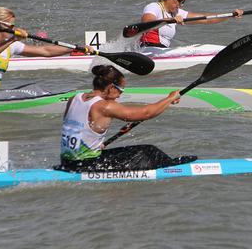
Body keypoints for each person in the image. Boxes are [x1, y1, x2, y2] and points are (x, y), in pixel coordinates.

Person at [56, 65, 196, 172]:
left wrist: (95, 144)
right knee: (148, 152)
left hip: (66, 161)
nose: (120, 95)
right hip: (85, 166)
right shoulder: (105, 106)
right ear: (111, 87)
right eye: (121, 90)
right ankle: (172, 168)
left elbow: (76, 129)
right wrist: (170, 98)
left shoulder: (74, 98)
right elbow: (146, 113)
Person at [0, 6, 76, 99]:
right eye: (11, 26)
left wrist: (73, 48)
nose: (14, 29)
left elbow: (45, 51)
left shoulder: (10, 45)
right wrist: (13, 39)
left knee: (34, 87)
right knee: (34, 91)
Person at [139, 0, 244, 49]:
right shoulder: (154, 7)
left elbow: (205, 19)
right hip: (148, 50)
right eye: (179, 0)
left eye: (183, 2)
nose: (180, 4)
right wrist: (171, 20)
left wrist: (230, 15)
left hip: (162, 51)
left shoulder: (177, 13)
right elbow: (147, 22)